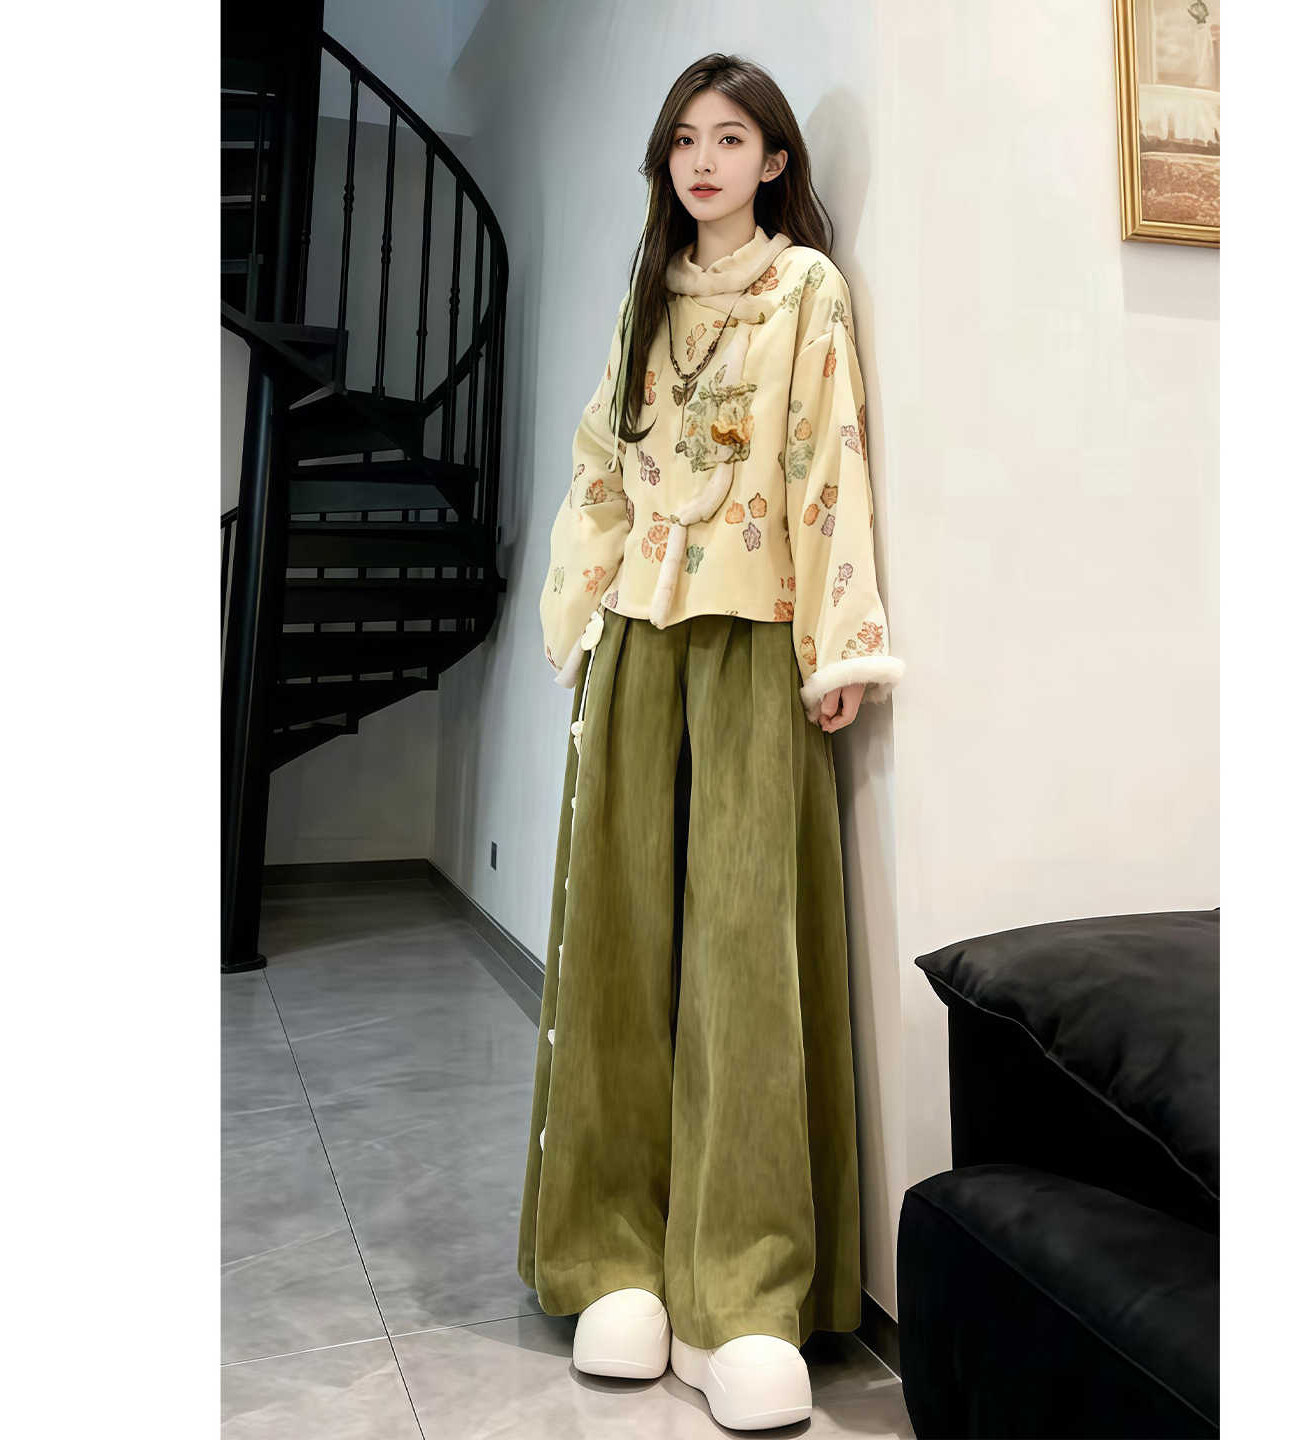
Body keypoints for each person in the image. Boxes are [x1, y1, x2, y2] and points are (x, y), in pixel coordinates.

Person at [516, 51, 903, 1431]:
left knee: (744, 954)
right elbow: (600, 464)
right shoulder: (647, 295)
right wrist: (582, 620)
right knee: (617, 944)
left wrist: (838, 642)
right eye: (684, 138)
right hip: (639, 636)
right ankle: (616, 1257)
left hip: (755, 636)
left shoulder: (806, 290)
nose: (702, 161)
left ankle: (739, 1289)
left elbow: (828, 460)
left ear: (775, 160)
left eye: (729, 138)